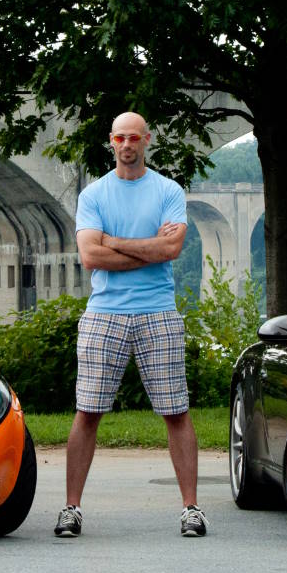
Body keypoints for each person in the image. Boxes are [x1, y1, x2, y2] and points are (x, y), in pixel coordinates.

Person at [54, 111, 208, 538]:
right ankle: (71, 508)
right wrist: (148, 247)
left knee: (176, 411)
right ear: (111, 141)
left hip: (158, 311)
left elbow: (171, 248)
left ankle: (191, 509)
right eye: (120, 137)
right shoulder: (95, 195)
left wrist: (115, 241)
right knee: (88, 411)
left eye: (134, 137)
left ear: (146, 140)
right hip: (105, 313)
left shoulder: (168, 190)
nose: (127, 144)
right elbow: (90, 257)